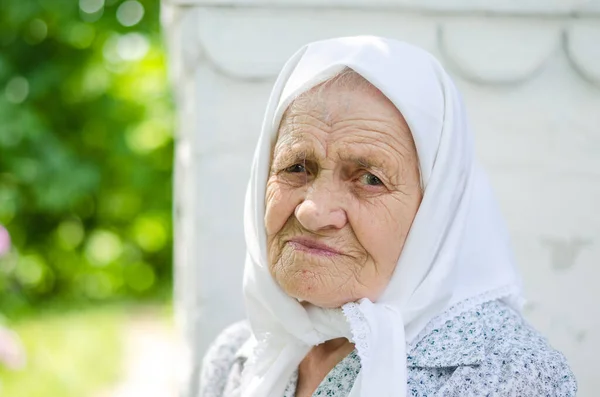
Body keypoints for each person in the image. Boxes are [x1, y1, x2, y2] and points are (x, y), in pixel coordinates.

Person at [198, 36, 577, 397]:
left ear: (435, 210)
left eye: (369, 179)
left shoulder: (504, 375)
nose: (313, 212)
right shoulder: (240, 355)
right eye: (297, 167)